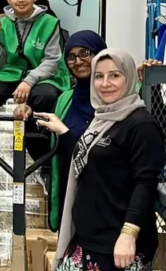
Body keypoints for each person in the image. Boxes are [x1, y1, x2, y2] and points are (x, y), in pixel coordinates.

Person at [43, 49, 166, 271]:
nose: (106, 83)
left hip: (118, 240)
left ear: (129, 78)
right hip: (87, 238)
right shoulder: (102, 121)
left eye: (115, 75)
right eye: (100, 76)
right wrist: (65, 134)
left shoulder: (140, 124)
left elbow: (145, 183)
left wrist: (129, 233)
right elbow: (95, 165)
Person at [15, 30, 106, 231]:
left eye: (85, 53)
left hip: (108, 197)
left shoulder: (117, 98)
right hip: (71, 196)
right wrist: (28, 118)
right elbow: (48, 151)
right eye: (71, 57)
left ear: (100, 54)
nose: (78, 61)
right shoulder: (65, 100)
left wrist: (150, 85)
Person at [0, 0, 69, 161]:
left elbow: (51, 61)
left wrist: (29, 81)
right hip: (9, 74)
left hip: (44, 76)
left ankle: (41, 156)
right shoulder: (0, 23)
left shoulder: (50, 23)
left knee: (44, 96)